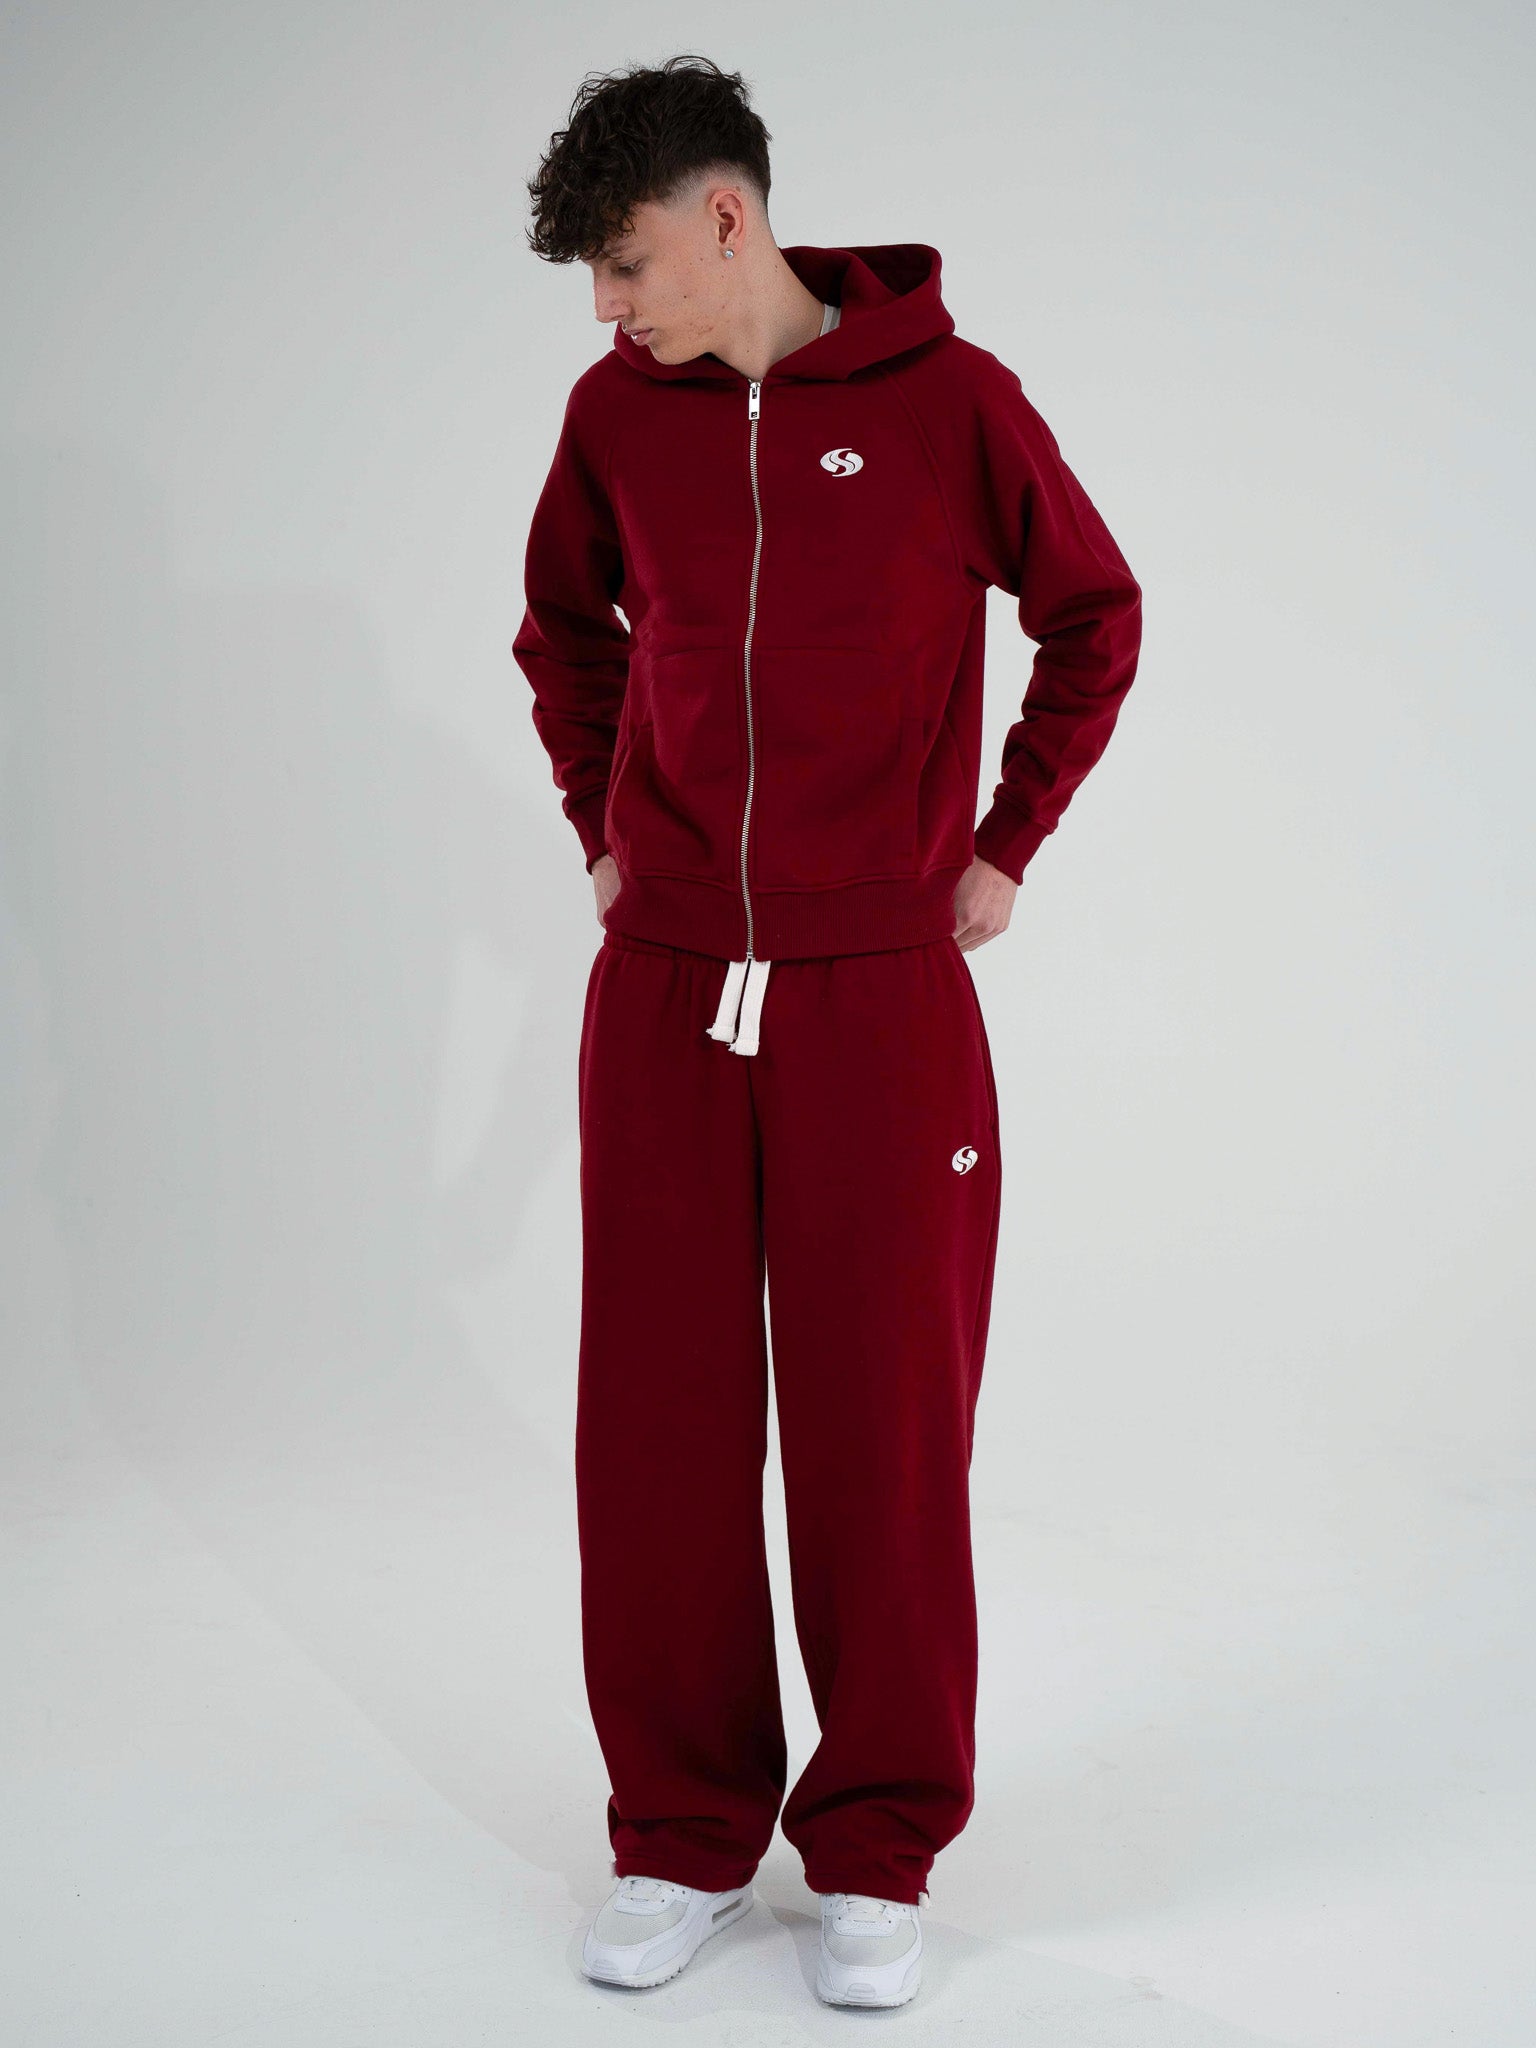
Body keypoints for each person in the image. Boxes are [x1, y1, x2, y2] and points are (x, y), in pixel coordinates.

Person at [513, 53, 1142, 2009]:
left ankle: (876, 1847)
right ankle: (681, 1835)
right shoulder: (617, 422)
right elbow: (565, 632)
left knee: (884, 1426)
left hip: (882, 990)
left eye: (626, 264)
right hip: (665, 990)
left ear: (727, 217)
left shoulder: (953, 404)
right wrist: (607, 832)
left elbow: (1095, 612)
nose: (608, 310)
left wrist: (1005, 842)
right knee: (660, 1430)